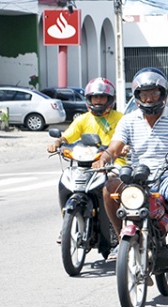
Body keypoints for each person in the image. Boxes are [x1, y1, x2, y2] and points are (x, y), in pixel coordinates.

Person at [94, 67, 168, 264]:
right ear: (137, 96)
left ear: (163, 94)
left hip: (166, 175)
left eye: (154, 93)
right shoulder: (128, 120)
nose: (149, 99)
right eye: (144, 94)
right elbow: (115, 147)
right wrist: (104, 158)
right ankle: (120, 240)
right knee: (109, 188)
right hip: (135, 176)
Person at [47, 77, 125, 250]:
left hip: (114, 162)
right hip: (86, 164)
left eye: (102, 97)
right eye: (94, 97)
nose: (98, 101)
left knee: (112, 184)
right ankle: (67, 223)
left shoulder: (120, 118)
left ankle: (115, 229)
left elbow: (127, 138)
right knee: (65, 182)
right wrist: (57, 143)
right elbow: (68, 135)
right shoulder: (83, 119)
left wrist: (125, 148)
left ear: (109, 99)